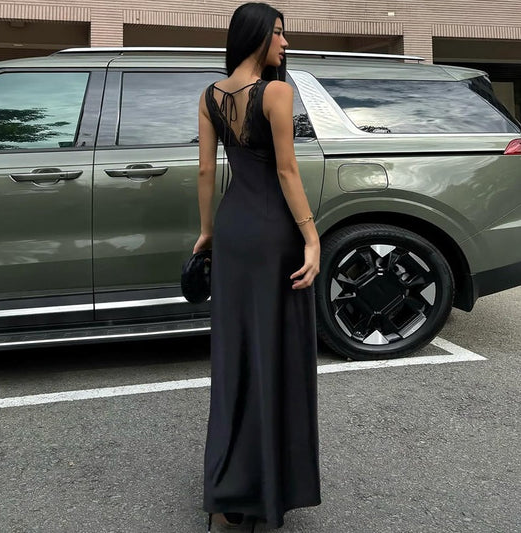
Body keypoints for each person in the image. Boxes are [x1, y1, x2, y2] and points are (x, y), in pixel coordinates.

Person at [193, 2, 321, 530]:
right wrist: (312, 237)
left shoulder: (209, 95)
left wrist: (207, 233)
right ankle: (269, 485)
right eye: (279, 34)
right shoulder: (276, 93)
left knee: (236, 355)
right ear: (257, 37)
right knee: (276, 352)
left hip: (232, 229)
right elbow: (287, 172)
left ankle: (230, 487)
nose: (285, 44)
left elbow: (206, 171)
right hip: (273, 234)